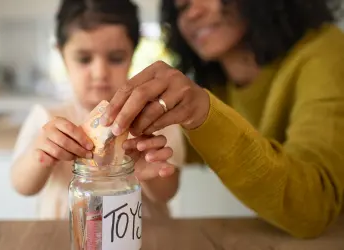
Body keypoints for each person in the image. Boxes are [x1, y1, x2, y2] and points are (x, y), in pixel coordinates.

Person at [99, 0, 344, 238]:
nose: (192, 13)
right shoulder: (217, 86)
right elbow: (170, 154)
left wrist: (204, 113)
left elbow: (314, 207)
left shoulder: (326, 51)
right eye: (182, 7)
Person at [10, 0, 186, 220]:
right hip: (64, 237)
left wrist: (151, 171)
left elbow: (166, 194)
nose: (100, 72)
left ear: (133, 54)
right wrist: (41, 154)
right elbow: (21, 185)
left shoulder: (156, 118)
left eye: (115, 58)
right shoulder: (47, 118)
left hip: (141, 235)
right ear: (62, 56)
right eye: (84, 59)